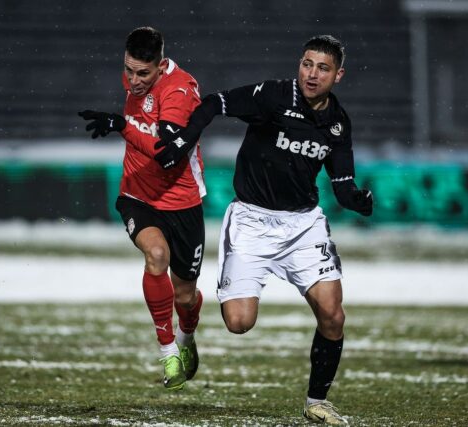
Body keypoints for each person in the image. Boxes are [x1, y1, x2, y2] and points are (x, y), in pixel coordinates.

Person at [153, 35, 372, 424]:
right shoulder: (273, 96)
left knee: (333, 316)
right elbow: (214, 103)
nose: (311, 73)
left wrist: (357, 200)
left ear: (339, 75)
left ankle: (316, 401)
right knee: (238, 323)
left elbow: (342, 184)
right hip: (252, 221)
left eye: (322, 68)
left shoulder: (337, 124)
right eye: (307, 63)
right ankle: (190, 328)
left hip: (303, 226)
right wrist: (186, 140)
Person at [78, 26, 207, 391]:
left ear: (161, 65)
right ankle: (167, 352)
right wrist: (123, 125)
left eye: (142, 74)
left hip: (182, 202)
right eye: (128, 70)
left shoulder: (179, 91)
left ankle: (186, 337)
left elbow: (168, 154)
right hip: (136, 194)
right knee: (155, 255)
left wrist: (121, 125)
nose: (133, 81)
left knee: (185, 294)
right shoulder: (136, 78)